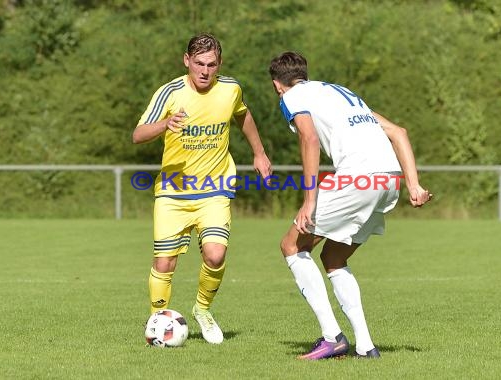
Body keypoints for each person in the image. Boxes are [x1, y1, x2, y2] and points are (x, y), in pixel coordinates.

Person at [268, 51, 432, 359]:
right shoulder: (340, 94)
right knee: (333, 256)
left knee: (292, 246)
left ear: (278, 85)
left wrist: (309, 200)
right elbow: (399, 132)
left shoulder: (293, 96)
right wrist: (414, 185)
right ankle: (366, 346)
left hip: (358, 177)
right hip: (388, 180)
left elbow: (310, 140)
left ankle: (332, 338)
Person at [133, 33, 271, 344]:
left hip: (214, 188)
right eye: (198, 63)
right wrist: (164, 124)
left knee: (216, 254)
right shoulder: (170, 93)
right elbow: (138, 134)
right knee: (164, 263)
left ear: (219, 64)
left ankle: (202, 309)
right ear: (187, 61)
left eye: (211, 64)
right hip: (173, 192)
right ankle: (158, 321)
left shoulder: (230, 89)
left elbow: (243, 115)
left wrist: (259, 152)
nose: (205, 71)